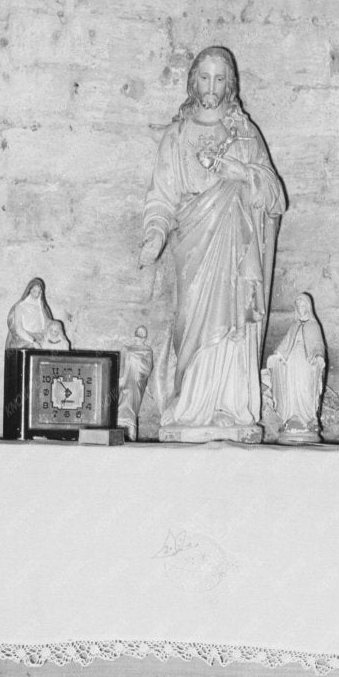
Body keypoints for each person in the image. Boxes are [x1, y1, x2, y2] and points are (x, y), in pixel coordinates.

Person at [139, 46, 286, 443]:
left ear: (230, 84)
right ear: (193, 81)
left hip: (237, 249)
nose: (212, 86)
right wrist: (154, 233)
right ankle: (191, 406)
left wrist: (241, 173)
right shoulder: (178, 134)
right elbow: (161, 196)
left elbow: (275, 197)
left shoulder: (244, 132)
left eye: (220, 78)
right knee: (192, 321)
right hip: (194, 244)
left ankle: (231, 406)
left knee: (235, 324)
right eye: (204, 77)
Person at [264, 292, 327, 443]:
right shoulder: (294, 325)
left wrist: (318, 356)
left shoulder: (313, 325)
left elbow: (318, 344)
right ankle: (291, 416)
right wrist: (277, 356)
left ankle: (307, 419)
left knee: (305, 388)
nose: (300, 308)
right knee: (291, 388)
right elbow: (285, 343)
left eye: (303, 305)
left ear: (308, 307)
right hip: (292, 361)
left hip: (306, 362)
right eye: (298, 305)